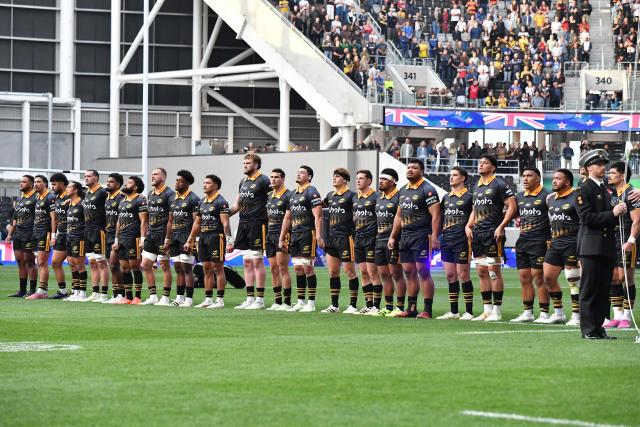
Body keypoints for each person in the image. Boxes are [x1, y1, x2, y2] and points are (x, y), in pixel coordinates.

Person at [576, 149, 626, 339]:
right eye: (598, 165)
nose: (603, 168)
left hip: (606, 245)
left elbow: (613, 214)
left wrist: (620, 210)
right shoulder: (583, 189)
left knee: (603, 290)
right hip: (590, 246)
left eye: (604, 164)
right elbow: (587, 218)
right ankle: (588, 329)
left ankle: (599, 328)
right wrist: (612, 213)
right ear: (588, 168)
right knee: (589, 290)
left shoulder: (609, 189)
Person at [465, 154, 517, 321]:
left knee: (493, 272)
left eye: (485, 163)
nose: (481, 165)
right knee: (481, 271)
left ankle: (497, 311)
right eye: (480, 162)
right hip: (478, 233)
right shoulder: (477, 185)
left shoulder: (499, 183)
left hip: (492, 232)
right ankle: (487, 310)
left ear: (493, 167)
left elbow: (512, 205)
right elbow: (475, 208)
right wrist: (468, 225)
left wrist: (502, 226)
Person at [388, 158, 441, 318]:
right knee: (408, 272)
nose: (410, 170)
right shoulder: (403, 190)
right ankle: (411, 309)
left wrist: (435, 237)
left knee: (423, 271)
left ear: (422, 171)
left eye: (415, 168)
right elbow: (398, 216)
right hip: (405, 237)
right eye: (409, 167)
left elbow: (436, 215)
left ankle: (427, 310)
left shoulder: (428, 189)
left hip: (422, 235)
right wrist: (392, 236)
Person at [279, 165, 323, 312]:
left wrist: (318, 235)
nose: (298, 174)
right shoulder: (292, 194)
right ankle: (300, 302)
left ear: (309, 176)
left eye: (302, 172)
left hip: (307, 233)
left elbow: (319, 216)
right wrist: (281, 237)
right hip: (295, 234)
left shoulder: (312, 192)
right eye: (297, 172)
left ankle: (311, 303)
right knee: (298, 268)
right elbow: (287, 217)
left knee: (308, 267)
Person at [539, 169, 581, 325]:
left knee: (573, 281)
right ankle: (559, 313)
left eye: (558, 178)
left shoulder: (577, 196)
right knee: (548, 278)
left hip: (572, 243)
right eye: (554, 178)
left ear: (567, 182)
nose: (554, 181)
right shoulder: (550, 199)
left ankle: (576, 316)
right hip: (555, 244)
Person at [229, 154, 271, 309]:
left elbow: (273, 201)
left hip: (258, 224)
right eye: (244, 163)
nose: (245, 165)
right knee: (247, 261)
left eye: (248, 163)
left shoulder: (264, 180)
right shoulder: (243, 182)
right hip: (243, 223)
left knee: (257, 260)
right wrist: (224, 215)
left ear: (256, 165)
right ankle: (249, 298)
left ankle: (260, 300)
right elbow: (237, 204)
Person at [510, 167, 551, 323]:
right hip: (523, 241)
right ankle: (527, 312)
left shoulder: (547, 196)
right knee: (524, 277)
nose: (525, 179)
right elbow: (511, 213)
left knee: (538, 278)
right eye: (524, 176)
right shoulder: (519, 196)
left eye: (529, 176)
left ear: (538, 178)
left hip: (540, 241)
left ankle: (544, 313)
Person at [185, 175, 232, 309]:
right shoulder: (202, 202)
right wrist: (190, 239)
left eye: (208, 183)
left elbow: (225, 223)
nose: (204, 185)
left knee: (217, 268)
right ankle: (208, 299)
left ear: (215, 186)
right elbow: (197, 223)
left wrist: (229, 241)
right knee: (206, 268)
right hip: (203, 237)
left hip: (216, 237)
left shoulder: (221, 202)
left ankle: (220, 300)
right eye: (204, 182)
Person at [603, 162, 639, 329]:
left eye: (612, 172)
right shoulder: (612, 194)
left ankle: (627, 316)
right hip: (612, 240)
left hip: (626, 241)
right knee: (614, 278)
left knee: (626, 278)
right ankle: (617, 316)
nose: (609, 175)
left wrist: (631, 241)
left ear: (622, 175)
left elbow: (637, 220)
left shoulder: (631, 193)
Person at [437, 167, 475, 320]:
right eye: (450, 175)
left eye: (455, 175)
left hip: (462, 240)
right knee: (450, 275)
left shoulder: (469, 196)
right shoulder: (446, 197)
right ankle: (454, 311)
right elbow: (440, 217)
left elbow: (475, 214)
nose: (451, 178)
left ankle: (469, 312)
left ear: (463, 178)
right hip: (447, 240)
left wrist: (469, 228)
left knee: (463, 275)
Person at [322, 168, 359, 314]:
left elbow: (358, 213)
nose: (334, 178)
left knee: (349, 272)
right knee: (333, 272)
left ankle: (353, 305)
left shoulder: (352, 196)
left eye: (337, 176)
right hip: (331, 238)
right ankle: (334, 305)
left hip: (346, 238)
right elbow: (320, 207)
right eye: (333, 176)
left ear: (344, 180)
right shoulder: (330, 196)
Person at [373, 168, 407, 317]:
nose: (380, 181)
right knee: (384, 275)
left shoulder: (399, 197)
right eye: (380, 179)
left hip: (394, 241)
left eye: (384, 179)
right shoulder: (379, 197)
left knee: (396, 274)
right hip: (379, 240)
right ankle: (387, 307)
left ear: (393, 181)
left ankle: (399, 307)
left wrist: (394, 237)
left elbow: (401, 219)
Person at [164, 170, 200, 307]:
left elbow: (196, 221)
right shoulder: (172, 198)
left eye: (180, 180)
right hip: (174, 237)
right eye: (176, 180)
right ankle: (179, 297)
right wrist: (167, 239)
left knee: (187, 268)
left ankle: (189, 299)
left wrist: (192, 239)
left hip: (186, 237)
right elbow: (170, 220)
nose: (177, 182)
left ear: (187, 183)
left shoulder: (193, 198)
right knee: (178, 268)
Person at [140, 168, 175, 305]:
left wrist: (168, 238)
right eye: (152, 174)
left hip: (163, 234)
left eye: (156, 174)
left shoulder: (170, 194)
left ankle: (165, 297)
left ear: (163, 177)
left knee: (164, 265)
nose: (152, 176)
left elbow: (172, 218)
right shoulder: (150, 193)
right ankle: (153, 296)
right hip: (151, 234)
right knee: (145, 264)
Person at [350, 169, 382, 315]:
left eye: (361, 178)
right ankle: (368, 305)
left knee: (373, 272)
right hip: (358, 238)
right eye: (357, 178)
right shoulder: (355, 198)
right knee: (363, 272)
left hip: (372, 238)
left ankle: (376, 306)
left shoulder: (376, 197)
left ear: (369, 181)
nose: (358, 181)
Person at [112, 176, 148, 304]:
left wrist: (143, 239)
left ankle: (137, 297)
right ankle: (128, 297)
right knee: (124, 268)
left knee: (134, 266)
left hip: (134, 237)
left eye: (129, 183)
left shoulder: (140, 200)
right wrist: (116, 239)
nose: (126, 185)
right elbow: (119, 221)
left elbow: (144, 221)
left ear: (135, 187)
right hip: (122, 238)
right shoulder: (122, 201)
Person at [265, 168, 293, 311]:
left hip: (283, 235)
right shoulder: (269, 195)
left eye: (276, 177)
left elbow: (289, 218)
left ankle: (287, 302)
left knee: (283, 268)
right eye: (272, 177)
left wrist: (282, 237)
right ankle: (277, 301)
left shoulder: (289, 195)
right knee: (273, 268)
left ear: (283, 179)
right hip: (270, 235)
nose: (273, 179)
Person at [26, 175, 56, 299]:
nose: (36, 184)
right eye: (35, 182)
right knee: (39, 262)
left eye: (38, 182)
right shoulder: (37, 197)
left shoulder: (50, 197)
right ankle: (41, 289)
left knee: (42, 262)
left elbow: (54, 218)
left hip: (46, 233)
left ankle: (42, 291)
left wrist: (53, 235)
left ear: (45, 184)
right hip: (36, 232)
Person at [7, 175, 37, 298]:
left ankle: (33, 290)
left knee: (29, 261)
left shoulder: (36, 198)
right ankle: (22, 290)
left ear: (31, 184)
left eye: (24, 182)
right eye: (20, 182)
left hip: (29, 234)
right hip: (18, 234)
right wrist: (10, 234)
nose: (21, 184)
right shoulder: (19, 199)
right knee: (20, 261)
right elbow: (15, 218)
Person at [82, 169, 110, 302]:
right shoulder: (87, 193)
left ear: (96, 178)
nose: (86, 178)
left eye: (89, 176)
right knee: (92, 263)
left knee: (101, 262)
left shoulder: (103, 192)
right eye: (85, 176)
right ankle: (95, 292)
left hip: (99, 231)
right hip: (88, 231)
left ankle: (104, 294)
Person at [103, 173, 125, 304]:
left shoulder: (121, 197)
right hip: (108, 234)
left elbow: (122, 219)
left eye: (111, 182)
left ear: (118, 184)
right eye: (107, 181)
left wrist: (118, 237)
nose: (108, 183)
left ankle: (122, 294)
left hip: (118, 235)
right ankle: (116, 294)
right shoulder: (108, 198)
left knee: (113, 264)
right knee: (112, 266)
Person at [64, 182, 89, 301]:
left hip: (79, 237)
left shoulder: (83, 203)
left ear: (75, 190)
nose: (66, 189)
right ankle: (76, 291)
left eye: (69, 187)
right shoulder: (69, 204)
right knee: (72, 264)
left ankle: (83, 293)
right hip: (69, 237)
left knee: (80, 264)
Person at [49, 173, 71, 299]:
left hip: (73, 234)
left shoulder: (71, 195)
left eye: (54, 184)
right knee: (55, 262)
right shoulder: (55, 198)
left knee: (74, 264)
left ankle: (77, 291)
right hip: (61, 234)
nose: (52, 187)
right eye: (51, 184)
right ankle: (62, 291)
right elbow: (55, 219)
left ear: (62, 183)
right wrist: (54, 235)